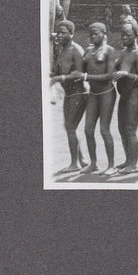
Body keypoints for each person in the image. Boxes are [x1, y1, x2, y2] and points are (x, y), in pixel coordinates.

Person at [49, 20, 88, 172]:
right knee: (70, 126)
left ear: (71, 34)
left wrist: (59, 79)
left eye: (63, 32)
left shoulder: (76, 50)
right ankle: (82, 160)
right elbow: (58, 71)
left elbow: (79, 75)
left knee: (71, 126)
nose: (59, 35)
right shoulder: (61, 49)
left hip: (80, 92)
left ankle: (74, 164)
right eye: (58, 32)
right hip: (70, 93)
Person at [80, 22, 118, 175]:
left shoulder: (110, 50)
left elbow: (109, 75)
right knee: (88, 129)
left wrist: (86, 76)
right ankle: (93, 163)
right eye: (91, 34)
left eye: (96, 33)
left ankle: (111, 165)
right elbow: (80, 70)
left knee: (104, 130)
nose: (92, 36)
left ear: (104, 34)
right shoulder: (88, 51)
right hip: (93, 95)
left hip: (106, 93)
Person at [111, 21, 138, 174]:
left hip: (136, 94)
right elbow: (115, 66)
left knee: (130, 129)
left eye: (128, 35)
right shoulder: (125, 52)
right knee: (121, 128)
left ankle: (134, 164)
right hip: (125, 95)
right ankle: (128, 160)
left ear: (136, 35)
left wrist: (126, 74)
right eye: (122, 35)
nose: (124, 38)